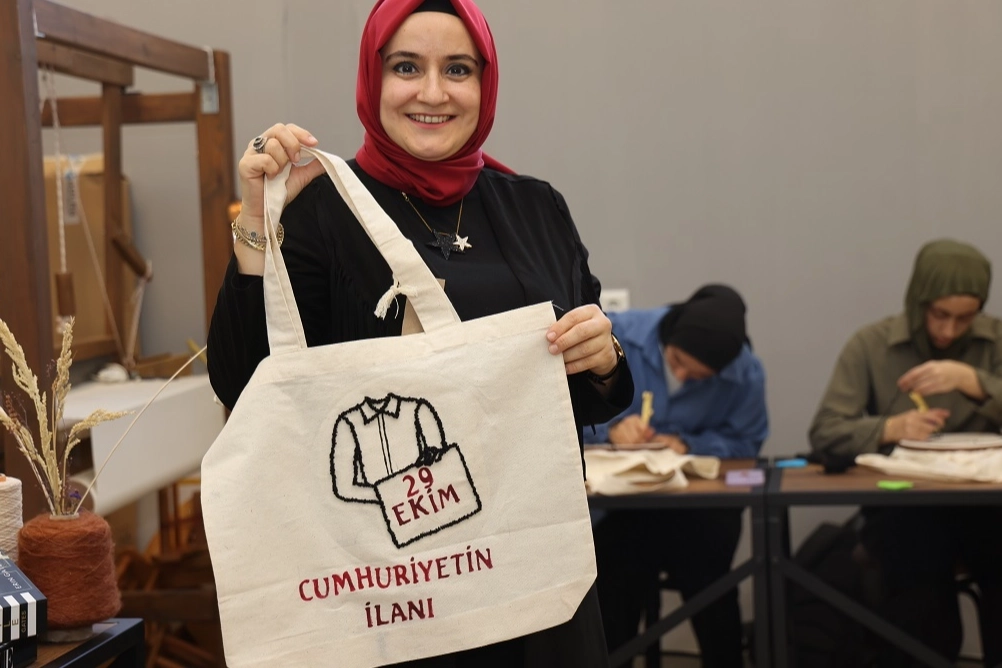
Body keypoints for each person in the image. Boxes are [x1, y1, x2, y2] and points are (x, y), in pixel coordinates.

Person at [206, 0, 633, 665]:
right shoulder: (321, 211)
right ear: (372, 79)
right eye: (406, 67)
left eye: (457, 69)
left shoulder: (536, 209)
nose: (433, 93)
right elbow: (245, 384)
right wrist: (258, 223)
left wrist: (604, 360)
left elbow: (582, 398)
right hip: (391, 600)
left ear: (484, 84)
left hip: (533, 582)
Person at [809, 239, 1002, 667]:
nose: (949, 331)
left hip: (987, 506)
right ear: (918, 302)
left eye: (965, 318)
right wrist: (889, 428)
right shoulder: (872, 344)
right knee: (915, 579)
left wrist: (974, 382)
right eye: (939, 315)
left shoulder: (996, 342)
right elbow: (825, 431)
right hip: (906, 506)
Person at [585, 285, 768, 668]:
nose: (682, 376)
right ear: (670, 339)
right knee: (611, 584)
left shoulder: (745, 372)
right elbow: (563, 414)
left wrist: (689, 444)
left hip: (696, 508)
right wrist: (610, 431)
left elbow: (746, 443)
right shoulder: (616, 337)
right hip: (619, 509)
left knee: (712, 580)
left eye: (698, 377)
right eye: (678, 362)